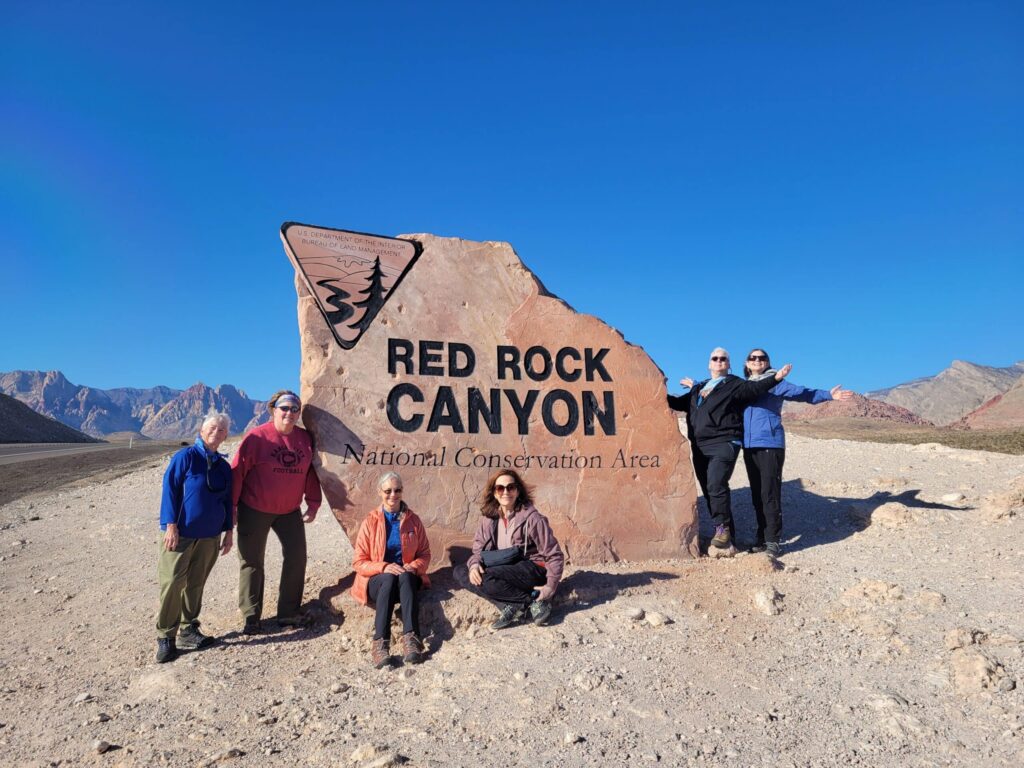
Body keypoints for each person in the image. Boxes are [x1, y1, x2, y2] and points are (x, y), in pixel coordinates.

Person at [667, 348, 792, 552]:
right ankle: (727, 535)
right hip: (700, 445)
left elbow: (754, 389)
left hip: (724, 442)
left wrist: (776, 378)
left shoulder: (735, 384)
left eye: (723, 359)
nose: (718, 361)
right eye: (714, 358)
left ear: (729, 364)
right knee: (709, 490)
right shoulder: (699, 389)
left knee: (716, 484)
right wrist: (650, 387)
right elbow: (678, 403)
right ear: (709, 364)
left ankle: (723, 530)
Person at [742, 348, 853, 556]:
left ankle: (773, 540)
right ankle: (761, 538)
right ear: (747, 364)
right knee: (757, 494)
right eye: (753, 358)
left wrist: (828, 395)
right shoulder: (743, 386)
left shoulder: (777, 383)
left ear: (767, 362)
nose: (757, 360)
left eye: (762, 358)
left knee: (770, 493)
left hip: (770, 443)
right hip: (749, 446)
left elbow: (801, 393)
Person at [231, 390, 322, 633]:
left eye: (295, 409)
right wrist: (231, 506)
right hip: (254, 508)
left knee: (297, 556)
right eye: (284, 408)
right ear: (273, 409)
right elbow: (236, 473)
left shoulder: (304, 439)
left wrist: (313, 503)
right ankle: (251, 617)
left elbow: (310, 472)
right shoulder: (256, 438)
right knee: (251, 562)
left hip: (289, 510)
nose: (289, 413)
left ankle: (288, 612)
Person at [156, 413, 233, 663]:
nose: (216, 432)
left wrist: (228, 531)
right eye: (212, 427)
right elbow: (170, 490)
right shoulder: (185, 457)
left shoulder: (223, 466)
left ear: (226, 436)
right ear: (201, 430)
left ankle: (188, 629)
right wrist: (170, 525)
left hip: (210, 535)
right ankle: (166, 635)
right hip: (181, 534)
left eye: (222, 430)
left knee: (196, 583)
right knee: (172, 582)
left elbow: (227, 500)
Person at [351, 471, 432, 668]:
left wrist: (412, 566)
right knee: (388, 578)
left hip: (405, 581)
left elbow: (425, 554)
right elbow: (359, 562)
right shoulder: (370, 521)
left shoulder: (413, 520)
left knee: (405, 576)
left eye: (397, 490)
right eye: (388, 490)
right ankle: (380, 643)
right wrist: (384, 566)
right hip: (378, 582)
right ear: (380, 492)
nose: (393, 495)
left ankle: (411, 640)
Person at [467, 470, 564, 630]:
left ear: (518, 491)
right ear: (494, 493)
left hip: (532, 568)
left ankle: (533, 601)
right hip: (506, 566)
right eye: (500, 488)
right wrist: (474, 566)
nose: (506, 492)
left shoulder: (532, 518)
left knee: (488, 575)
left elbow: (554, 554)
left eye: (511, 487)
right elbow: (477, 550)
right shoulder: (489, 519)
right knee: (463, 573)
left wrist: (550, 587)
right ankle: (522, 603)